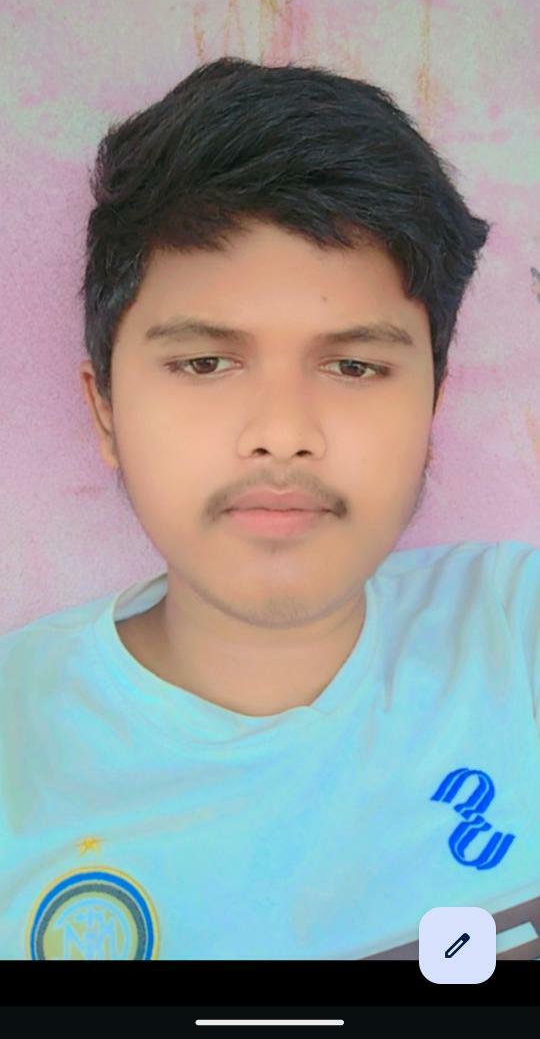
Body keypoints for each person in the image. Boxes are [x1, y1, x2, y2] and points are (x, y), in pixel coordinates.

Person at [1, 57, 539, 962]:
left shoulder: (516, 632)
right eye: (205, 363)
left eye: (355, 366)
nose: (283, 435)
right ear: (106, 411)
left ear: (432, 410)